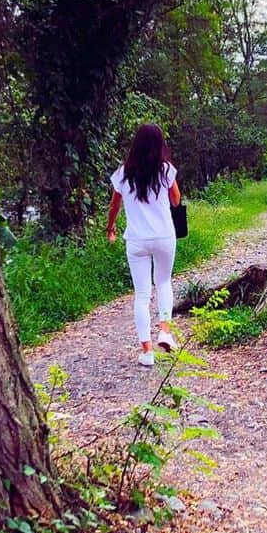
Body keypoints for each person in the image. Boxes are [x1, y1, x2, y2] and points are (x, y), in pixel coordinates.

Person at [106, 123, 182, 367]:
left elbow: (114, 206)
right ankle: (165, 331)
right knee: (164, 282)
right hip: (163, 237)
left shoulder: (123, 173)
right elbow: (176, 199)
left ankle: (147, 351)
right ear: (160, 144)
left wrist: (110, 228)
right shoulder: (166, 170)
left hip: (136, 240)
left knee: (141, 294)